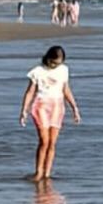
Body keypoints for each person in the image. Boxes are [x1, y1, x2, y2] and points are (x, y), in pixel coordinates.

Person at [18, 45, 81, 179]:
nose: (54, 66)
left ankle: (47, 173)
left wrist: (74, 108)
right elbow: (30, 92)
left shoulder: (63, 70)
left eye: (58, 63)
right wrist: (24, 110)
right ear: (48, 58)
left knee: (52, 142)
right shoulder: (37, 71)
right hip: (41, 105)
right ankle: (38, 171)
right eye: (53, 62)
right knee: (44, 141)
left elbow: (66, 90)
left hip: (57, 105)